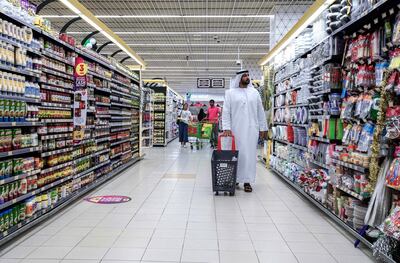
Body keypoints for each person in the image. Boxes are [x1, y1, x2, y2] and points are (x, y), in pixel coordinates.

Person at [222, 70, 267, 193]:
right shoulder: (230, 93)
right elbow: (225, 111)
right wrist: (226, 127)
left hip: (252, 129)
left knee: (249, 155)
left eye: (248, 76)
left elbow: (260, 111)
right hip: (236, 130)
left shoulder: (254, 93)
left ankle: (247, 181)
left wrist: (263, 128)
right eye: (244, 76)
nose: (247, 78)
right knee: (237, 155)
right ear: (239, 78)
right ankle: (235, 179)